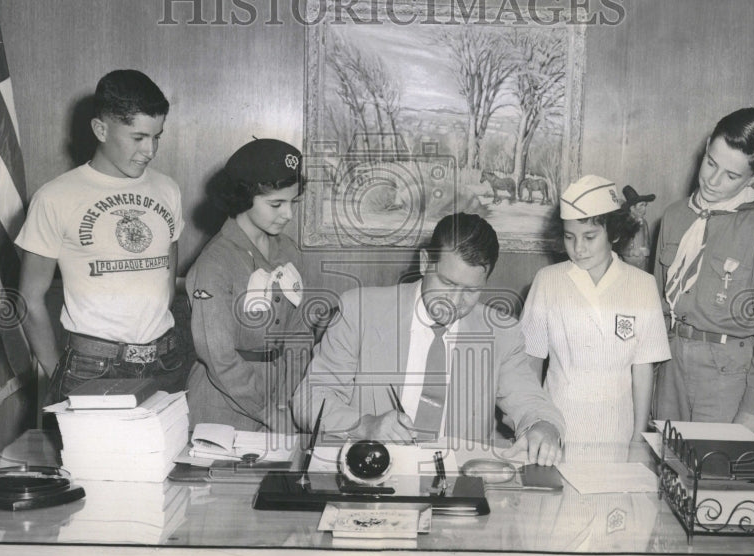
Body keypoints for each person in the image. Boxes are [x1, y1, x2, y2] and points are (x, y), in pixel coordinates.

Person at [292, 212, 565, 466]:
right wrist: (365, 425)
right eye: (447, 283)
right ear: (425, 262)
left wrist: (543, 427)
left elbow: (531, 402)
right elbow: (310, 398)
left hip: (458, 480)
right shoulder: (360, 311)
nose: (455, 302)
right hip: (370, 472)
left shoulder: (501, 333)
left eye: (471, 290)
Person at [17, 69, 186, 401]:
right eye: (137, 138)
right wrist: (57, 374)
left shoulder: (167, 189)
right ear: (101, 129)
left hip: (164, 360)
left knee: (163, 454)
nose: (149, 150)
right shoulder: (55, 197)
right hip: (93, 366)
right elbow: (28, 298)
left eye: (157, 136)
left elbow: (167, 269)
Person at [653, 108, 754, 435]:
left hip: (726, 378)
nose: (712, 181)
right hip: (670, 365)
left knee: (715, 477)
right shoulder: (673, 217)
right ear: (705, 150)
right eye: (710, 163)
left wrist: (752, 410)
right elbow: (655, 309)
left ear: (753, 179)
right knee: (666, 473)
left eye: (730, 175)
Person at [520, 175, 670, 449]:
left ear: (613, 232)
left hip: (617, 428)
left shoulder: (642, 285)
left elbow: (643, 368)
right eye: (569, 237)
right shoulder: (547, 280)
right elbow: (531, 361)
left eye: (590, 237)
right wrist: (531, 423)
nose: (578, 248)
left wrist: (638, 436)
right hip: (555, 426)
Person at [186, 138, 316, 431]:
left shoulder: (290, 253)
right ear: (244, 197)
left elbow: (299, 335)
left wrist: (284, 402)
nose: (288, 214)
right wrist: (267, 411)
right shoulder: (215, 262)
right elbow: (218, 356)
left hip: (282, 397)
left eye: (292, 202)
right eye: (276, 204)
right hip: (224, 405)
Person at [622, 185, 656, 271]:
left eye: (645, 205)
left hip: (642, 263)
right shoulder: (625, 224)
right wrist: (631, 252)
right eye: (641, 205)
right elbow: (619, 246)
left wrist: (647, 250)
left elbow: (647, 241)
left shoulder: (644, 223)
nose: (644, 209)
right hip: (628, 263)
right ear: (632, 208)